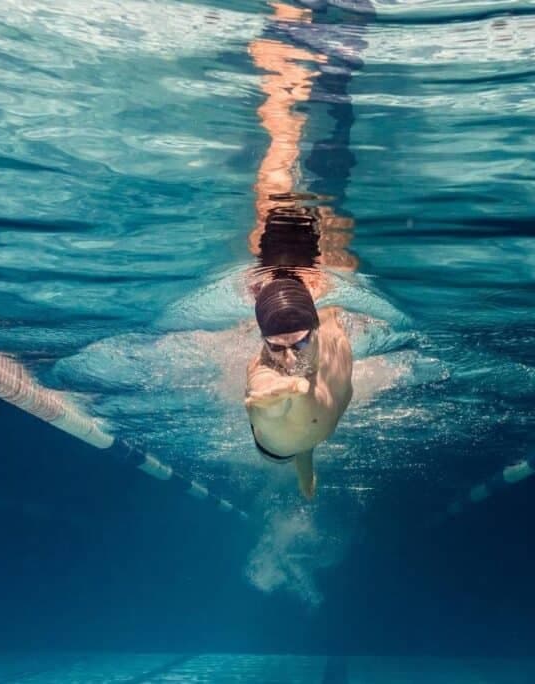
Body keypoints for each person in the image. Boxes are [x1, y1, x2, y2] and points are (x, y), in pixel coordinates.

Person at [244, 2, 358, 500]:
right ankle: (326, 75)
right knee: (308, 177)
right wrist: (306, 479)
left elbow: (261, 399)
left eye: (282, 350)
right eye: (287, 349)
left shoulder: (292, 413)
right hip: (285, 280)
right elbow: (299, 446)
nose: (288, 360)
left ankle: (283, 60)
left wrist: (281, 390)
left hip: (298, 284)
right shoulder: (306, 430)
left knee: (286, 160)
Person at [246, 276, 352, 500]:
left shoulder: (332, 327)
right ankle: (303, 458)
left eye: (300, 343)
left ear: (316, 329)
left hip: (308, 429)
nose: (289, 360)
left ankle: (305, 459)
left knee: (305, 439)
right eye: (275, 346)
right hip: (277, 445)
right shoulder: (265, 362)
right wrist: (273, 400)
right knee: (296, 434)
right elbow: (261, 379)